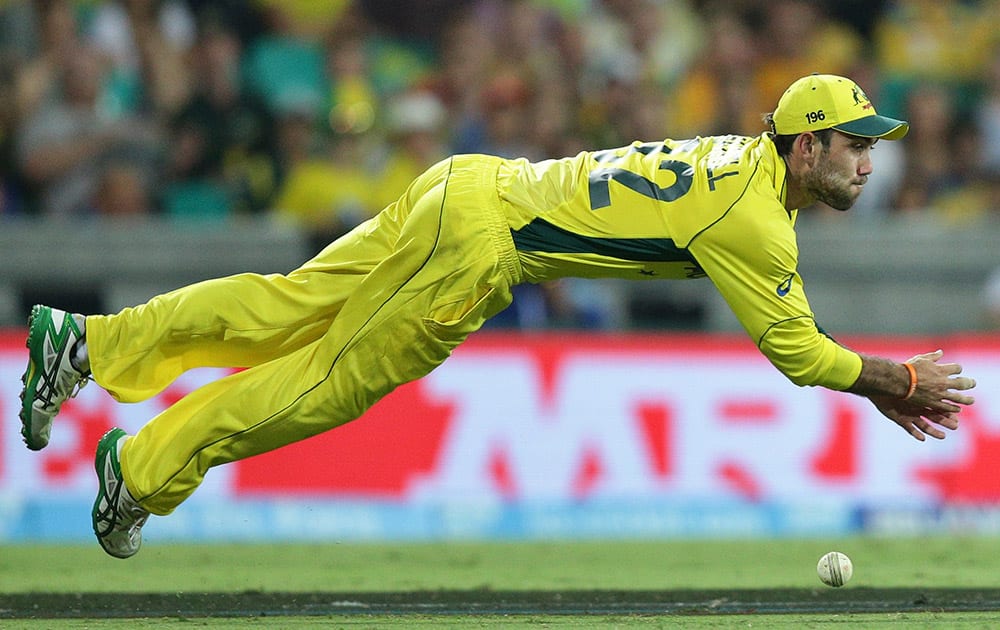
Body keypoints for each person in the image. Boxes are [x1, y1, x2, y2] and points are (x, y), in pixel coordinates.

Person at [18, 73, 976, 559]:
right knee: (324, 383)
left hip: (470, 186)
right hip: (486, 242)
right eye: (855, 146)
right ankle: (138, 472)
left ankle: (91, 344)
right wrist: (893, 382)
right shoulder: (755, 217)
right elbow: (799, 354)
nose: (869, 162)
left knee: (287, 305)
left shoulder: (744, 162)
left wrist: (878, 382)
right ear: (806, 147)